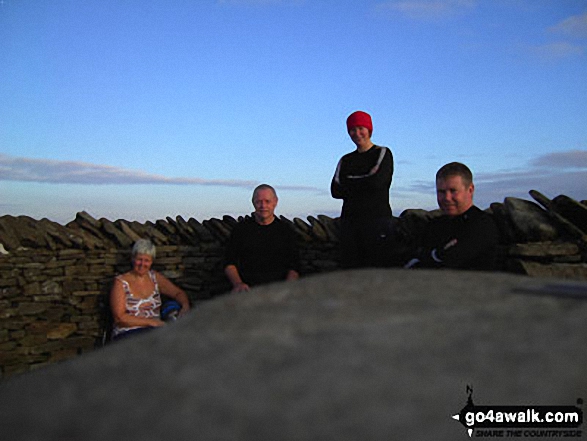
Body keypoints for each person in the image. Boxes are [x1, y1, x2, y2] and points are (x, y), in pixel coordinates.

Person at [404, 162, 499, 270]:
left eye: (453, 191)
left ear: (470, 190)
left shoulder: (481, 225)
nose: (447, 198)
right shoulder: (435, 225)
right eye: (441, 192)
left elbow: (449, 259)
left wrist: (429, 256)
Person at [331, 110, 395, 268]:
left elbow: (378, 183)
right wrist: (366, 179)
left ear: (369, 130)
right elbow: (335, 190)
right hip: (350, 225)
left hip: (377, 223)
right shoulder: (345, 160)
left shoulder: (382, 153)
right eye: (352, 129)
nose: (357, 133)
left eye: (361, 128)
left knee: (378, 271)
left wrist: (350, 181)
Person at [224, 184, 301, 292]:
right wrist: (238, 284)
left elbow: (295, 266)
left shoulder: (286, 231)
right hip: (248, 291)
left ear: (275, 202)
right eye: (258, 201)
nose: (263, 206)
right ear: (253, 203)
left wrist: (286, 289)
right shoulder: (241, 230)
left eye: (267, 201)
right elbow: (229, 262)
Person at [110, 239, 190, 341]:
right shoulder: (121, 282)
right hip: (129, 332)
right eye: (139, 259)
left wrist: (185, 306)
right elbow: (120, 318)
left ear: (151, 262)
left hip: (155, 331)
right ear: (133, 259)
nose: (142, 264)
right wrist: (152, 322)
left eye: (146, 260)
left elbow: (178, 293)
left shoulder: (154, 277)